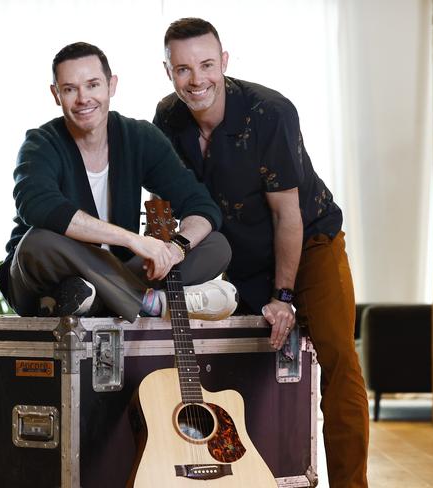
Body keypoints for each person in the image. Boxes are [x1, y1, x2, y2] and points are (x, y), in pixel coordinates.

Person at [153, 18, 369, 488]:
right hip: (235, 256)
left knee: (338, 360)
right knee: (237, 365)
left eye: (207, 65)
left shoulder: (270, 112)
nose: (197, 80)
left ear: (224, 62)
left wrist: (284, 296)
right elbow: (169, 207)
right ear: (168, 71)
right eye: (183, 69)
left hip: (309, 242)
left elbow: (286, 216)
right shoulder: (167, 118)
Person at [0, 42, 237, 323]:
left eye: (93, 85)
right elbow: (37, 206)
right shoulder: (40, 143)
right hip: (42, 276)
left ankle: (96, 300)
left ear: (111, 86)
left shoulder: (138, 137)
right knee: (37, 242)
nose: (83, 98)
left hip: (113, 272)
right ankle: (150, 302)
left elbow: (200, 204)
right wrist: (134, 241)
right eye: (70, 89)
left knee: (217, 244)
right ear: (56, 94)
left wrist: (175, 248)